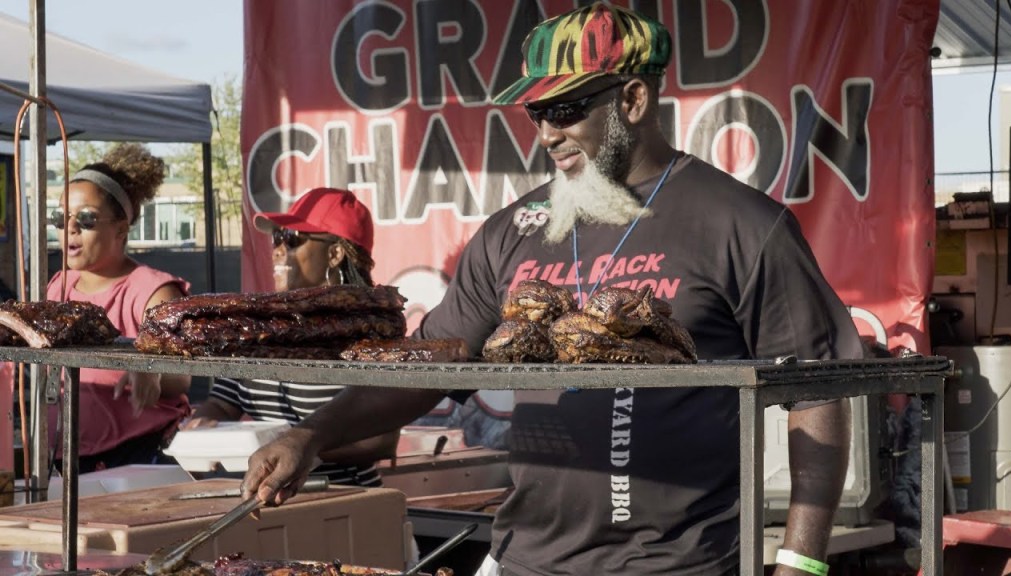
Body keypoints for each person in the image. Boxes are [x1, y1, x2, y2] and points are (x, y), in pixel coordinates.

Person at [244, 4, 863, 575]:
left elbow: (819, 393)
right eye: (536, 113)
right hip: (525, 558)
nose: (547, 134)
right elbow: (431, 366)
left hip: (674, 564)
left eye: (566, 110)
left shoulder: (743, 224)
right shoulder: (513, 231)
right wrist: (313, 435)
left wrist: (800, 562)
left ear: (634, 99)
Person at [183, 188, 398, 486]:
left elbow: (382, 440)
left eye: (293, 239)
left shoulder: (372, 338)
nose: (278, 249)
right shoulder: (259, 329)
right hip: (265, 498)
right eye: (277, 238)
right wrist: (205, 424)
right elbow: (223, 402)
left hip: (341, 502)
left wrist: (300, 447)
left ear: (335, 253)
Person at [47, 143, 191, 473]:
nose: (69, 227)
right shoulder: (58, 287)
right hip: (67, 457)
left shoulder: (152, 289)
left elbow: (181, 376)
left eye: (86, 218)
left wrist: (149, 369)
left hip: (140, 457)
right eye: (59, 216)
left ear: (121, 229)